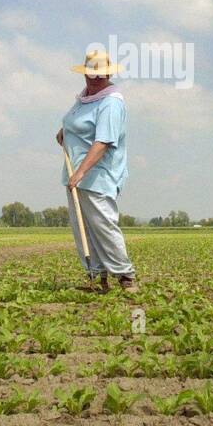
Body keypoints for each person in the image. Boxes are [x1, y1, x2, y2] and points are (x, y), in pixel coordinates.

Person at [57, 49, 137, 293]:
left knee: (103, 225)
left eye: (100, 75)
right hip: (76, 177)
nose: (95, 78)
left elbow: (103, 142)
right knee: (83, 229)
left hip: (98, 175)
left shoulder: (111, 102)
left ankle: (126, 276)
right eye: (91, 74)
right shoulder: (84, 98)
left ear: (109, 73)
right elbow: (74, 123)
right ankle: (97, 277)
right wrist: (64, 133)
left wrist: (81, 172)